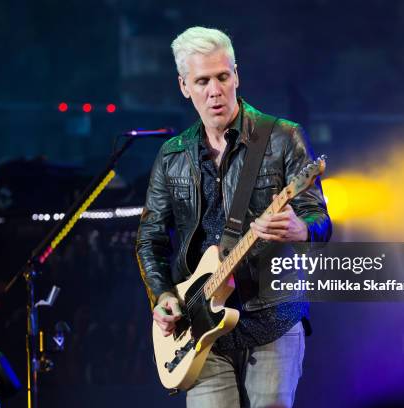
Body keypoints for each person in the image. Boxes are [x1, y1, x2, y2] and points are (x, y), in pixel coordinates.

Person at [136, 26, 331, 408]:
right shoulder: (172, 155)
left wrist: (300, 229)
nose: (215, 90)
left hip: (272, 315)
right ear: (184, 86)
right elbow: (150, 239)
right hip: (201, 327)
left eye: (223, 77)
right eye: (202, 81)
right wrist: (161, 296)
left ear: (236, 76)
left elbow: (319, 218)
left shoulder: (282, 137)